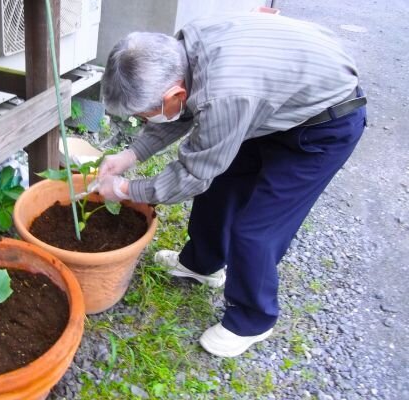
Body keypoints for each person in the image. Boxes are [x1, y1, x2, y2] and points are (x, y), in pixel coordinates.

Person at [96, 12, 367, 357]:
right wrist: (131, 155)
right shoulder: (182, 51)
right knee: (222, 187)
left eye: (142, 115)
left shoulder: (224, 97)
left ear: (174, 92)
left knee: (257, 228)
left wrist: (125, 190)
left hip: (324, 124)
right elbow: (185, 110)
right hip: (271, 105)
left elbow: (193, 175)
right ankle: (201, 265)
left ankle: (254, 319)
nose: (141, 121)